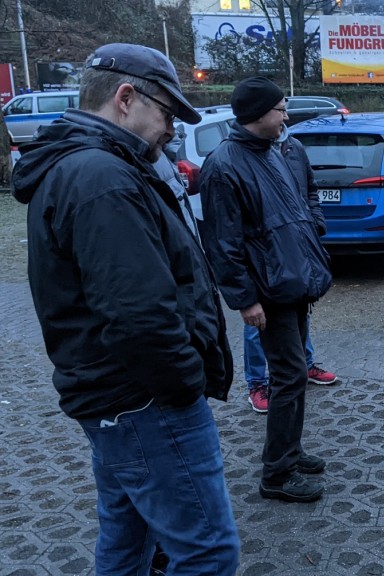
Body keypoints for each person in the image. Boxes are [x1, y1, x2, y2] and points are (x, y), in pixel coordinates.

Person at [11, 43, 239, 574]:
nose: (170, 130)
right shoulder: (101, 177)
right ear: (125, 97)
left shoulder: (89, 168)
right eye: (165, 113)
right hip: (146, 401)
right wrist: (183, 386)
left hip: (117, 400)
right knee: (207, 552)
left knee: (128, 536)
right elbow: (139, 311)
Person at [198, 76, 333, 503]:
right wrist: (244, 299)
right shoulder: (223, 165)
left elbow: (295, 209)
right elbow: (223, 243)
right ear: (258, 115)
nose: (286, 116)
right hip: (268, 291)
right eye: (280, 109)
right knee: (289, 376)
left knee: (291, 377)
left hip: (290, 282)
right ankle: (276, 473)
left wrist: (314, 237)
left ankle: (288, 452)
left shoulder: (272, 151)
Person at [244, 124, 337, 415]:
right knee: (260, 322)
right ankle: (257, 383)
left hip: (300, 242)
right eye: (279, 108)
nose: (284, 115)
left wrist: (315, 222)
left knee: (300, 308)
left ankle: (305, 364)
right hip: (268, 251)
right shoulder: (248, 153)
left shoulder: (294, 147)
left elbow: (310, 189)